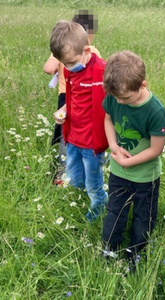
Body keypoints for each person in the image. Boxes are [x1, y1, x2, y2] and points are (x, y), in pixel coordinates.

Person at [101, 50, 165, 263]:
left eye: (125, 98)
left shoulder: (155, 111)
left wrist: (129, 161)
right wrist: (113, 146)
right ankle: (109, 250)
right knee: (114, 212)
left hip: (145, 177)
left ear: (142, 85)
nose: (120, 102)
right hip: (118, 172)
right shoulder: (114, 96)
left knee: (143, 218)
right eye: (116, 97)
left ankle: (136, 255)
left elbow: (155, 149)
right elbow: (108, 120)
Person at [50, 20, 108, 222]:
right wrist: (63, 111)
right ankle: (79, 201)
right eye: (64, 63)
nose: (68, 67)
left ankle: (98, 207)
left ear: (86, 50)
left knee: (94, 182)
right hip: (72, 137)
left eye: (72, 62)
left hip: (92, 142)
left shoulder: (102, 71)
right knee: (74, 178)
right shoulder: (68, 70)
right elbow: (71, 98)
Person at [43, 10, 100, 185]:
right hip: (69, 98)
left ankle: (72, 174)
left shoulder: (90, 54)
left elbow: (48, 68)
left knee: (71, 136)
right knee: (67, 136)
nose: (69, 67)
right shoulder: (64, 50)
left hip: (74, 98)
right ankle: (64, 175)